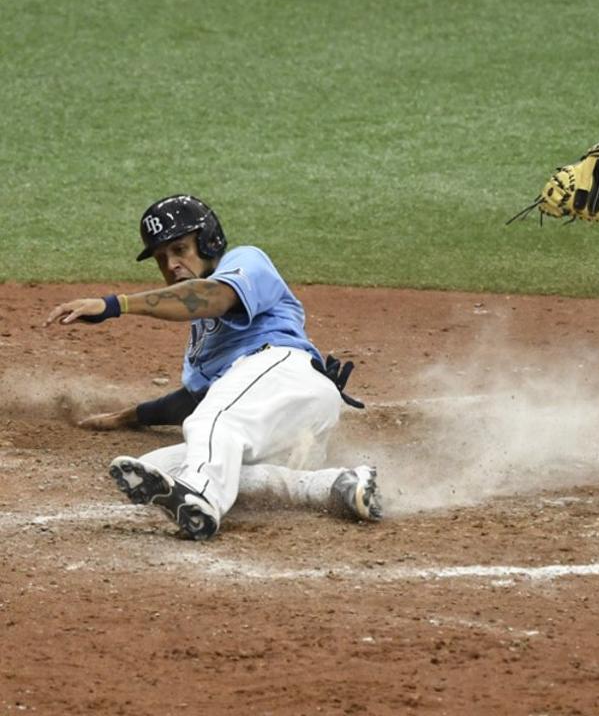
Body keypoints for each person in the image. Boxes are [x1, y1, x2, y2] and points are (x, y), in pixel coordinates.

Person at [44, 194, 382, 540]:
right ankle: (331, 486)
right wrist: (126, 417)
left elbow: (213, 296)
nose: (171, 264)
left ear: (209, 242)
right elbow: (193, 400)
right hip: (285, 425)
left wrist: (116, 304)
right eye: (162, 258)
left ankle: (202, 493)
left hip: (285, 374)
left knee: (210, 424)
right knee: (160, 468)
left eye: (180, 249)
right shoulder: (202, 343)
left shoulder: (245, 262)